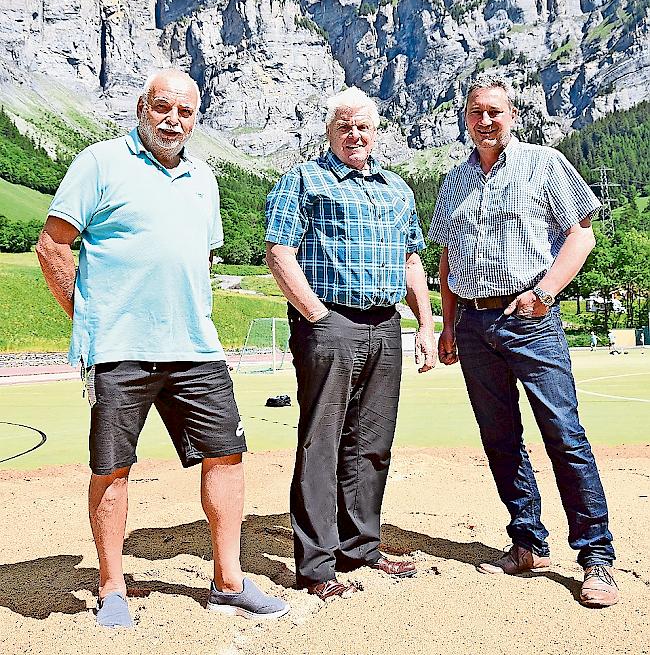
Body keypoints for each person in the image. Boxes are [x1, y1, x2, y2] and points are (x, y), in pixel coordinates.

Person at [36, 69, 289, 627]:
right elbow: (52, 247)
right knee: (113, 467)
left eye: (187, 111)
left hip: (196, 347)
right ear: (141, 108)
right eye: (163, 108)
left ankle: (229, 582)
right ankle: (112, 589)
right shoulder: (99, 162)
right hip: (121, 348)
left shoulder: (204, 177)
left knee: (227, 455)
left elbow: (198, 258)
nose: (174, 120)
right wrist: (89, 321)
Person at [428, 74, 618, 608]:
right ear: (465, 117)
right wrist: (448, 324)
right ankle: (529, 542)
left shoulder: (544, 163)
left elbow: (582, 231)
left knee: (563, 434)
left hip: (530, 320)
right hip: (473, 323)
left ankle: (596, 558)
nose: (485, 120)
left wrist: (546, 291)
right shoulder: (453, 181)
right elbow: (446, 259)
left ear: (512, 115)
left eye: (494, 111)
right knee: (501, 439)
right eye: (475, 111)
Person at [265, 87, 435, 600]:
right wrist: (317, 316)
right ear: (329, 131)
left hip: (386, 325)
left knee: (373, 441)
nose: (355, 135)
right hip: (330, 322)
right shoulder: (302, 179)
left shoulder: (398, 189)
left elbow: (411, 261)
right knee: (322, 442)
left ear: (376, 131)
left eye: (363, 126)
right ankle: (316, 566)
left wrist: (425, 324)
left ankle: (360, 546)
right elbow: (279, 252)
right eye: (345, 126)